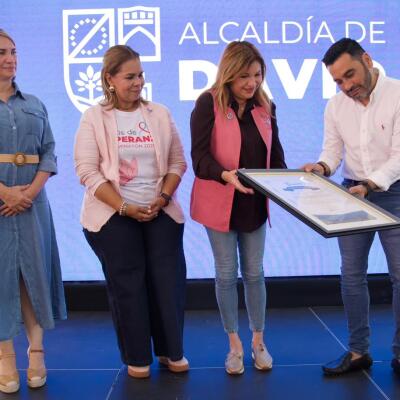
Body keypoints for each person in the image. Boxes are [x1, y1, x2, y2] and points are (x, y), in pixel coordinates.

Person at [74, 45, 188, 379]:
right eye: (129, 77)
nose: (138, 82)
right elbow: (87, 171)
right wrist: (124, 206)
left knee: (168, 281)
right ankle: (137, 357)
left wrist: (163, 199)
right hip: (112, 213)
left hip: (160, 209)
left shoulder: (160, 113)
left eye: (140, 75)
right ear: (109, 79)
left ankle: (171, 351)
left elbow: (178, 162)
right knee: (129, 284)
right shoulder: (93, 117)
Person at [303, 38, 400, 376]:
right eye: (338, 81)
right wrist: (321, 168)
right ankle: (358, 352)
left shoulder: (398, 94)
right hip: (352, 192)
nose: (346, 86)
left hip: (394, 192)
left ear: (367, 60)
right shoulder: (335, 106)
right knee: (351, 275)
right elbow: (332, 152)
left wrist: (371, 185)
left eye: (350, 75)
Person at [190, 41, 286, 375]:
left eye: (257, 75)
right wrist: (225, 175)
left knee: (255, 273)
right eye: (244, 76)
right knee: (226, 273)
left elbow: (276, 158)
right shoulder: (208, 103)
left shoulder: (266, 106)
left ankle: (259, 341)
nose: (252, 82)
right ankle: (234, 345)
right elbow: (199, 158)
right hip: (220, 201)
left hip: (255, 203)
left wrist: (296, 180)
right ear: (229, 74)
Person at [0, 30, 66, 394]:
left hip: (32, 203)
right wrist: (5, 193)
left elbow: (49, 152)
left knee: (33, 276)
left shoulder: (36, 103)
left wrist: (29, 192)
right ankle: (5, 356)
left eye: (13, 51)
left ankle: (36, 351)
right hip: (1, 202)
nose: (10, 58)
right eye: (1, 53)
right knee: (1, 278)